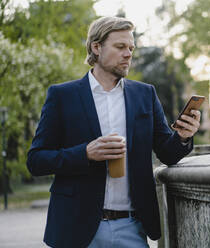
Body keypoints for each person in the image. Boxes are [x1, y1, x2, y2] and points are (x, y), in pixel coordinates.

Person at [27, 16, 201, 248]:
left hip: (132, 227)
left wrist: (182, 136)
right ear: (96, 47)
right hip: (76, 229)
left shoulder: (145, 95)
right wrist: (85, 153)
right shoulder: (62, 96)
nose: (128, 53)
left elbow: (167, 154)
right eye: (120, 47)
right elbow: (36, 160)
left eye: (131, 48)